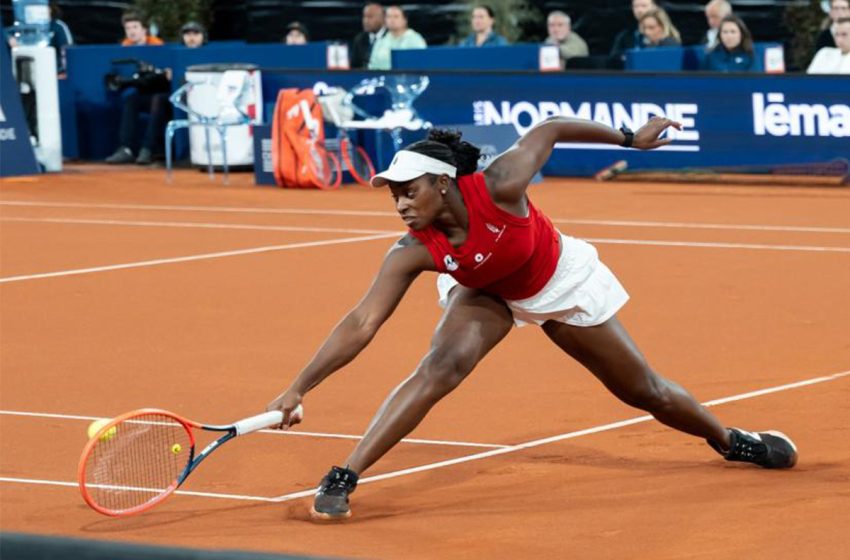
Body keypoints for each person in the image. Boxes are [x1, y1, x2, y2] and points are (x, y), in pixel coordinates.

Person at [266, 119, 799, 521]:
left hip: (554, 279)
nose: (400, 203)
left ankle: (730, 440)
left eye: (410, 190)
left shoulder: (502, 182)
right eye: (392, 194)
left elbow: (549, 128)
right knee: (441, 366)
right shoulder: (412, 248)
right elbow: (362, 322)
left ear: (444, 184)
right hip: (485, 289)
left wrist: (627, 139)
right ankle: (345, 475)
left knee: (645, 391)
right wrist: (297, 387)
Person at [105, 12, 168, 165]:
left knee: (158, 100)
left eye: (135, 27)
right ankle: (126, 149)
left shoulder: (159, 46)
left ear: (144, 29)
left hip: (162, 95)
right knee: (131, 99)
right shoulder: (123, 48)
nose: (132, 31)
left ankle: (148, 149)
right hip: (142, 94)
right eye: (128, 28)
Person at [5, 1, 74, 74]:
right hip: (26, 70)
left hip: (52, 71)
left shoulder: (58, 27)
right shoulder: (25, 27)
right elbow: (5, 32)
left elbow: (68, 52)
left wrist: (61, 71)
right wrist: (10, 38)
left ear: (49, 9)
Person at [367, 5, 426, 70]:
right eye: (389, 16)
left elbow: (422, 62)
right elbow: (372, 66)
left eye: (396, 16)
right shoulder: (380, 41)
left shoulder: (415, 39)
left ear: (405, 20)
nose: (392, 20)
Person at [351, 3, 387, 69]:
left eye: (370, 17)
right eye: (364, 16)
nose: (366, 21)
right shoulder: (359, 39)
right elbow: (354, 66)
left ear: (382, 18)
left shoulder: (390, 37)